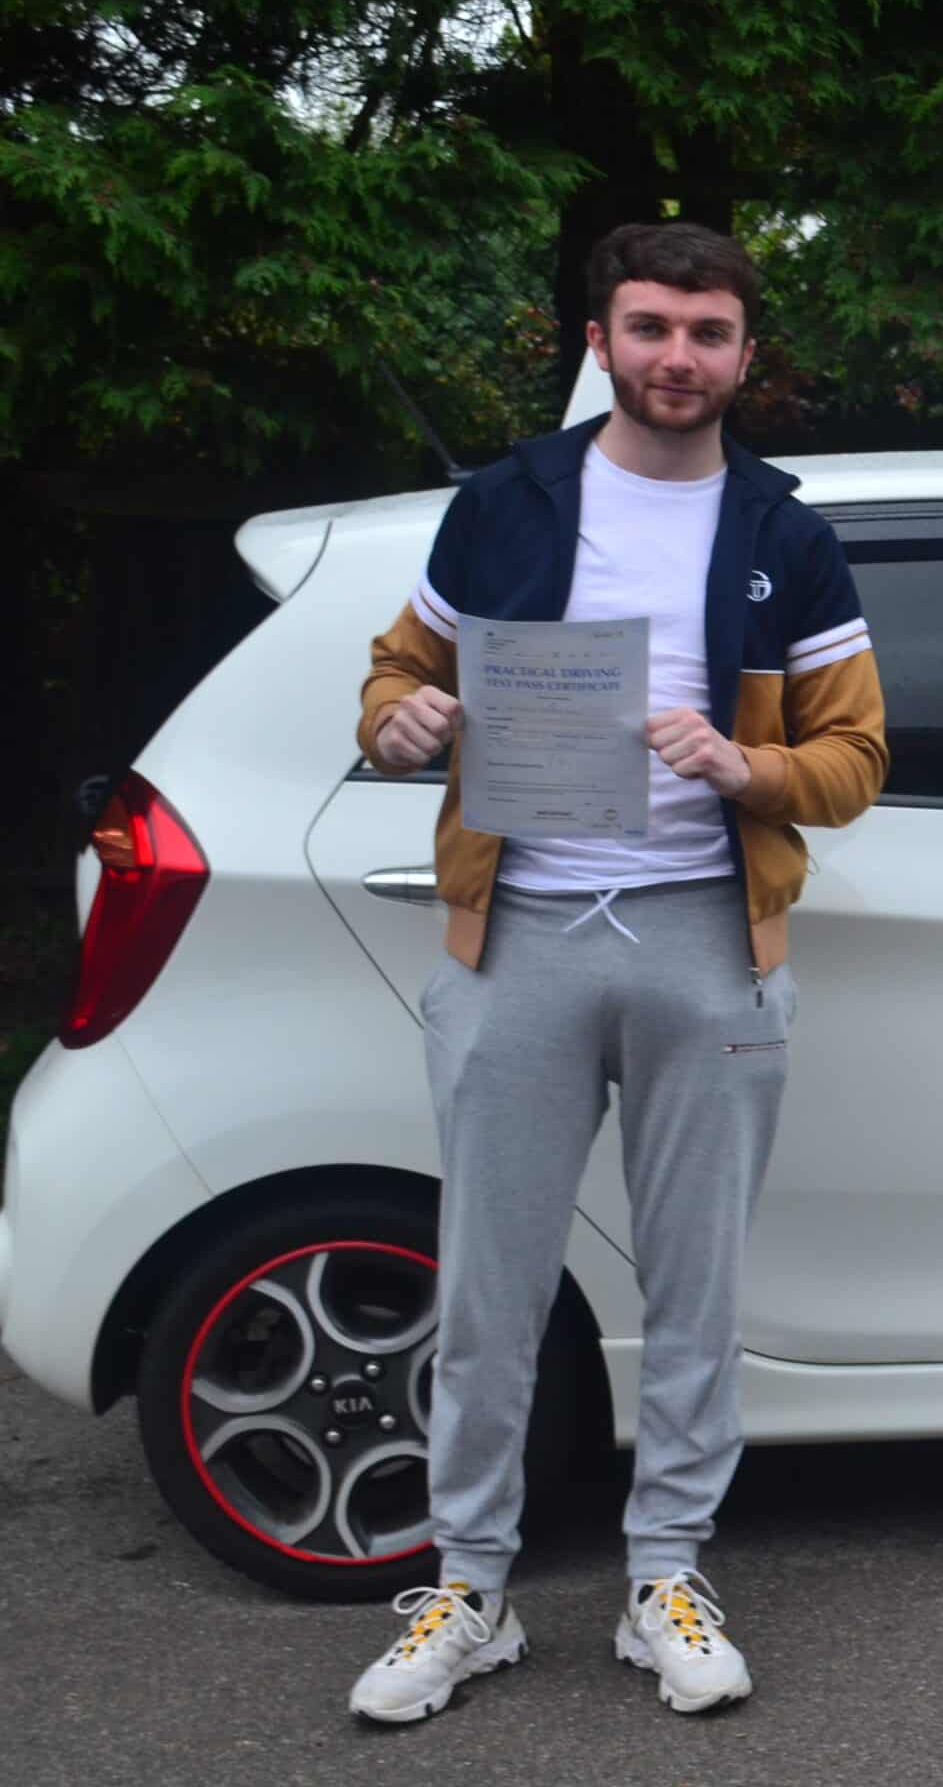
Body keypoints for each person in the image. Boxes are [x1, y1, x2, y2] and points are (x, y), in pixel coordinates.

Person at [345, 221, 886, 1721]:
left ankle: (667, 1575)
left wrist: (743, 763)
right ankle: (470, 1588)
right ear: (600, 338)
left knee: (697, 1283)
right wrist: (396, 723)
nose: (677, 357)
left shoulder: (783, 532)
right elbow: (401, 674)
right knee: (488, 1285)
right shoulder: (509, 506)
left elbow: (858, 756)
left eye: (708, 333)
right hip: (517, 935)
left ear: (743, 356)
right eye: (650, 326)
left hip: (709, 935)